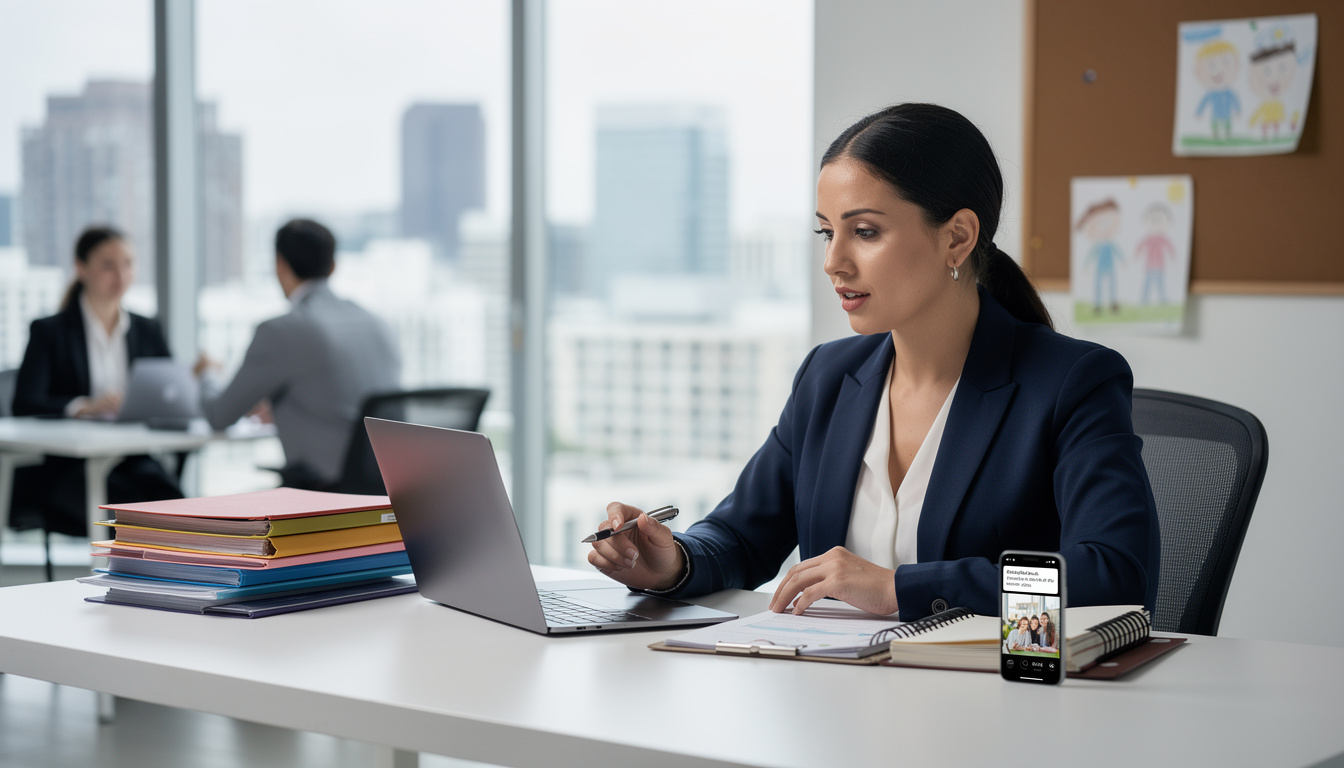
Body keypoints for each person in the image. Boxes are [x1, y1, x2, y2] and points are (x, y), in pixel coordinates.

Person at [588, 103, 1160, 622]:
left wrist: (900, 589)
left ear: (957, 238)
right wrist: (673, 562)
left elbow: (1113, 574)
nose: (834, 261)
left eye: (864, 232)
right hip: (836, 705)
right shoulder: (829, 377)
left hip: (991, 710)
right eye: (826, 232)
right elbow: (741, 535)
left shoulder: (1070, 383)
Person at [195, 218, 401, 489]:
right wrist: (285, 403)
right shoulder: (377, 324)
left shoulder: (281, 331)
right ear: (333, 266)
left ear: (280, 265)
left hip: (326, 495)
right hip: (387, 492)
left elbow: (219, 416)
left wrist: (208, 372)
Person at [10, 225, 183, 536]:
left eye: (128, 263)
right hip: (68, 467)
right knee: (134, 513)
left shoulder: (146, 329)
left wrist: (193, 378)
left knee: (178, 506)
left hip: (132, 456)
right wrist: (83, 406)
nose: (121, 274)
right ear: (81, 268)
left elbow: (170, 390)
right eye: (108, 265)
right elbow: (24, 401)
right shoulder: (51, 332)